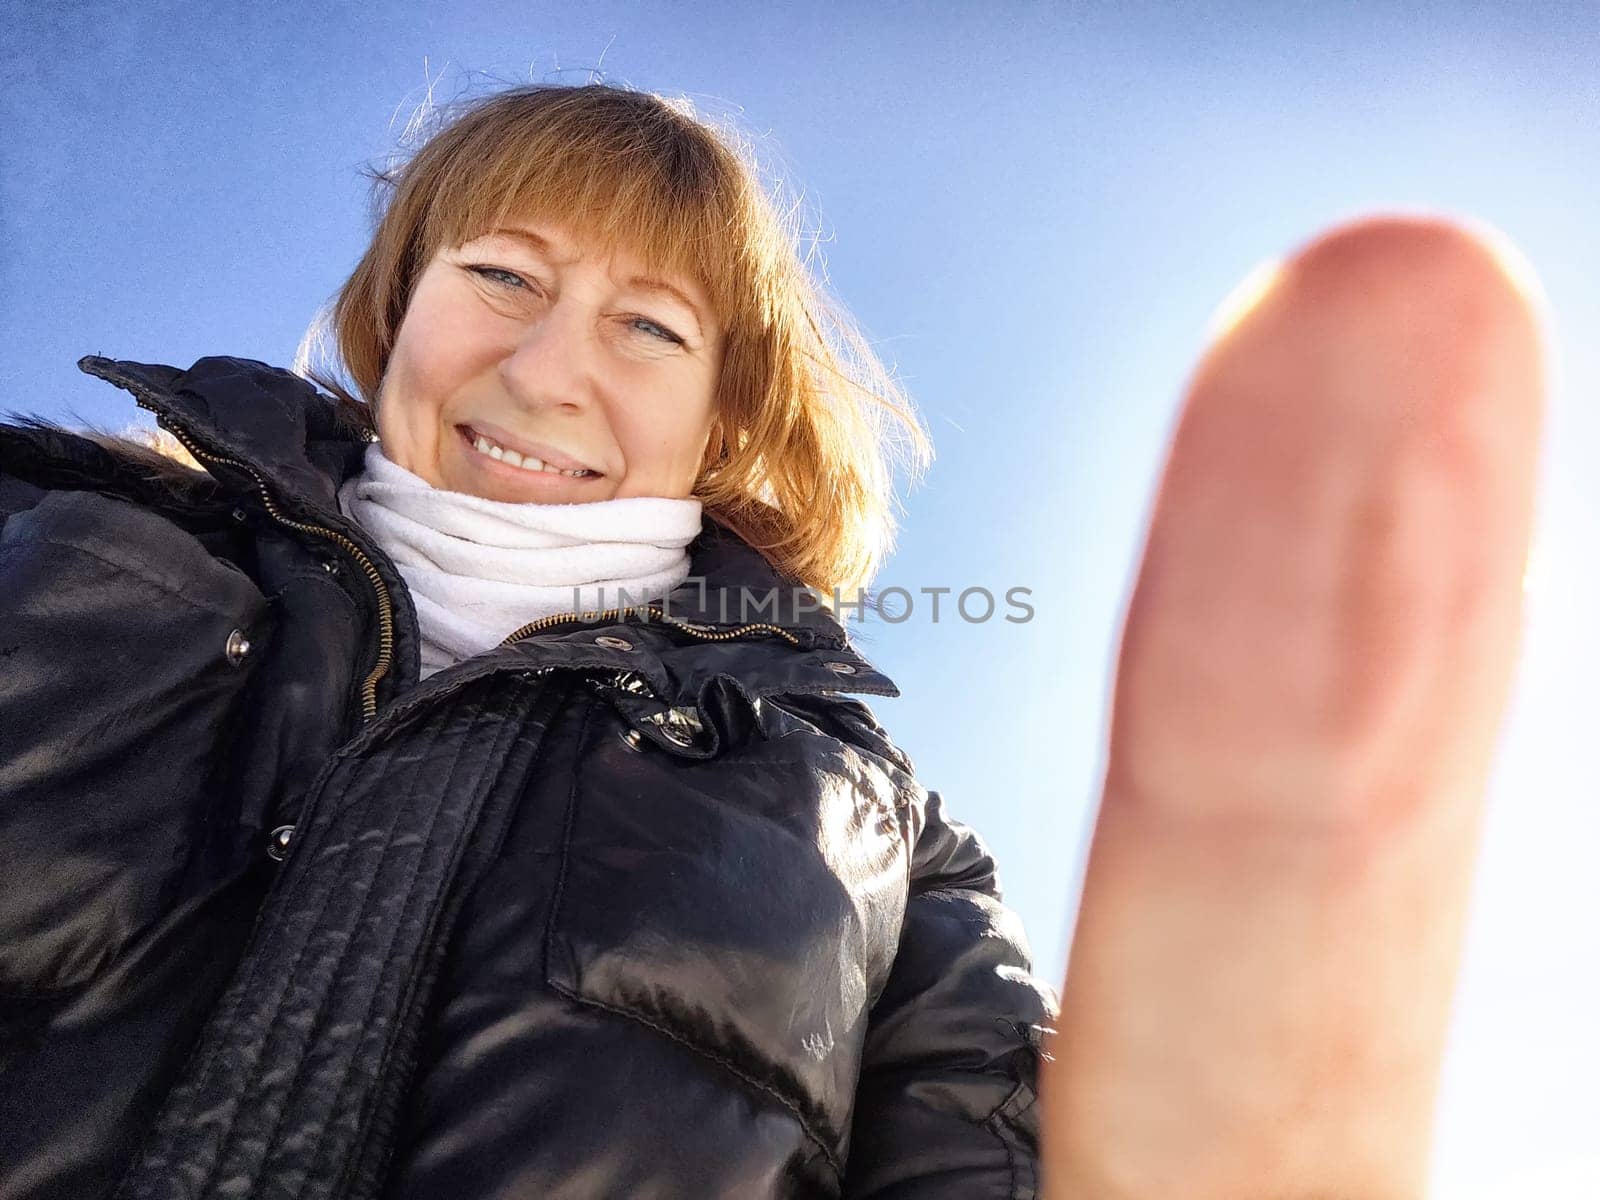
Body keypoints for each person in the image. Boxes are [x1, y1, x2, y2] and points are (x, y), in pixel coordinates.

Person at [0, 83, 1056, 1199]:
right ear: (401, 299)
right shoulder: (39, 532)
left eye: (651, 326)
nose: (545, 373)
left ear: (721, 414)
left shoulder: (889, 845)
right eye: (502, 276)